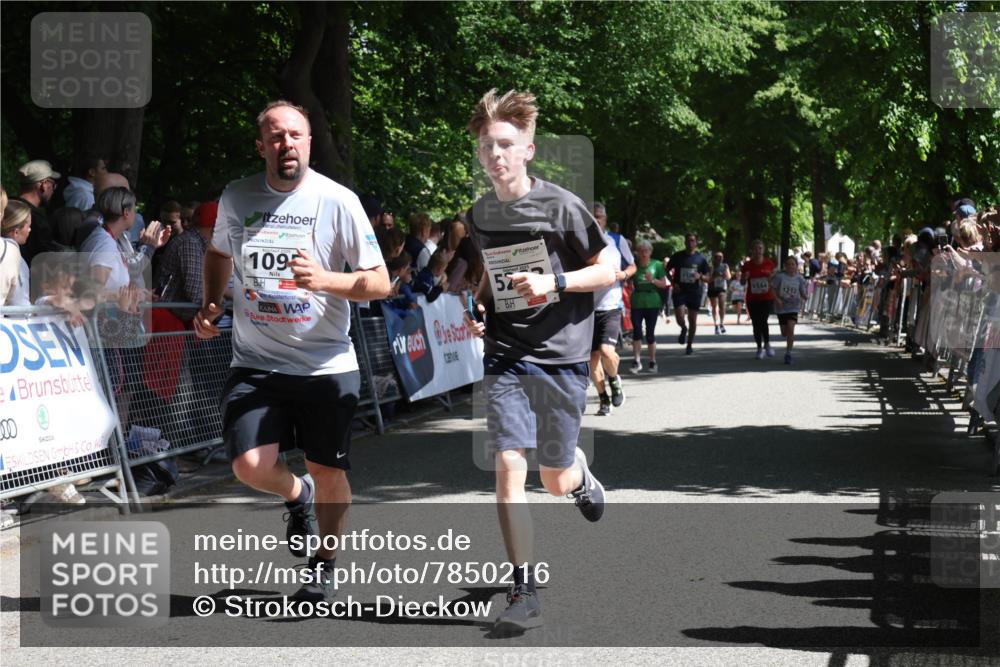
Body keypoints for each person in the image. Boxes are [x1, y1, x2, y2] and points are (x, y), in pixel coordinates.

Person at [193, 100, 389, 603]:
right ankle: (295, 494)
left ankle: (324, 564)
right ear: (262, 146)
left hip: (325, 363)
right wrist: (212, 301)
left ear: (309, 142)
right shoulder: (237, 197)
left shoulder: (338, 200)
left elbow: (381, 283)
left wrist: (326, 280)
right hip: (256, 361)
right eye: (276, 136)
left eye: (295, 135)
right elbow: (218, 252)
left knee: (330, 470)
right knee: (248, 466)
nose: (287, 144)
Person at [462, 88, 614, 634]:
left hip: (562, 356)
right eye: (486, 146)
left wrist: (556, 281)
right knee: (507, 464)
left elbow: (609, 266)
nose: (495, 154)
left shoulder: (561, 206)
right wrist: (479, 307)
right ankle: (522, 587)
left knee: (552, 477)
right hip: (506, 353)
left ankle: (578, 479)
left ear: (527, 149)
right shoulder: (478, 215)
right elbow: (490, 275)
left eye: (506, 144)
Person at [591, 201, 635, 414]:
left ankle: (614, 380)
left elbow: (632, 265)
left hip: (611, 304)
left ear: (605, 219)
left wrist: (624, 274)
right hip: (586, 309)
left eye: (599, 216)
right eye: (592, 216)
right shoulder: (579, 242)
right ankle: (603, 399)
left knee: (607, 351)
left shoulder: (617, 240)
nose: (596, 219)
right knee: (591, 359)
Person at [666, 233, 710, 355]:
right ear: (685, 242)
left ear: (696, 243)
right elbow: (666, 270)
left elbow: (708, 277)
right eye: (688, 241)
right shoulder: (677, 256)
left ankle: (689, 345)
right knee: (680, 317)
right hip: (680, 290)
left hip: (694, 291)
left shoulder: (701, 259)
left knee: (692, 319)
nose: (690, 243)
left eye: (692, 241)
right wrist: (673, 282)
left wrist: (700, 276)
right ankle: (683, 328)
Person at [629, 239, 667, 372]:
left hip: (652, 301)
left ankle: (652, 361)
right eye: (641, 251)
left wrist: (653, 280)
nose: (644, 253)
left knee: (650, 333)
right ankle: (636, 361)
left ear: (650, 252)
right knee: (637, 332)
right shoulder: (634, 266)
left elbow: (663, 284)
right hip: (637, 301)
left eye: (646, 251)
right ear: (638, 253)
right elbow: (628, 281)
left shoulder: (657, 265)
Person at [15, 159, 60, 265]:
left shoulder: (7, 207)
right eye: (53, 185)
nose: (53, 190)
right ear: (44, 185)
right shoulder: (37, 220)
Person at [741, 239, 777, 359]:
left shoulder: (769, 263)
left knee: (763, 320)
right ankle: (759, 348)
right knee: (756, 323)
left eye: (760, 248)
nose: (758, 251)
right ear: (752, 250)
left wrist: (771, 277)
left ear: (763, 250)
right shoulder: (747, 265)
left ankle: (767, 344)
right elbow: (741, 282)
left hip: (766, 297)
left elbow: (774, 278)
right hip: (752, 298)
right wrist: (744, 278)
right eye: (756, 248)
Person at [771, 256, 808, 364]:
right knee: (784, 332)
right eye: (789, 264)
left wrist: (805, 296)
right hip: (781, 307)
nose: (791, 266)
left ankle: (788, 353)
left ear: (796, 266)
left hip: (793, 307)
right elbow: (772, 289)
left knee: (791, 329)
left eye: (793, 264)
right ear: (785, 266)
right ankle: (788, 346)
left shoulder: (799, 278)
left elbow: (802, 291)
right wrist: (777, 299)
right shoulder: (780, 277)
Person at [1, 201, 32, 306]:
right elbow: (20, 305)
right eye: (28, 226)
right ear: (16, 232)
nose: (30, 230)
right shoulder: (16, 260)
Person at [707, 251, 731, 335]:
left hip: (721, 288)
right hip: (712, 288)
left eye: (722, 257)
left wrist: (723, 275)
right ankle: (716, 325)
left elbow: (728, 277)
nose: (720, 258)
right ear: (715, 258)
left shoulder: (725, 266)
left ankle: (721, 323)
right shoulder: (711, 267)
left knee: (722, 305)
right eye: (718, 257)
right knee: (714, 307)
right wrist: (714, 275)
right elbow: (708, 279)